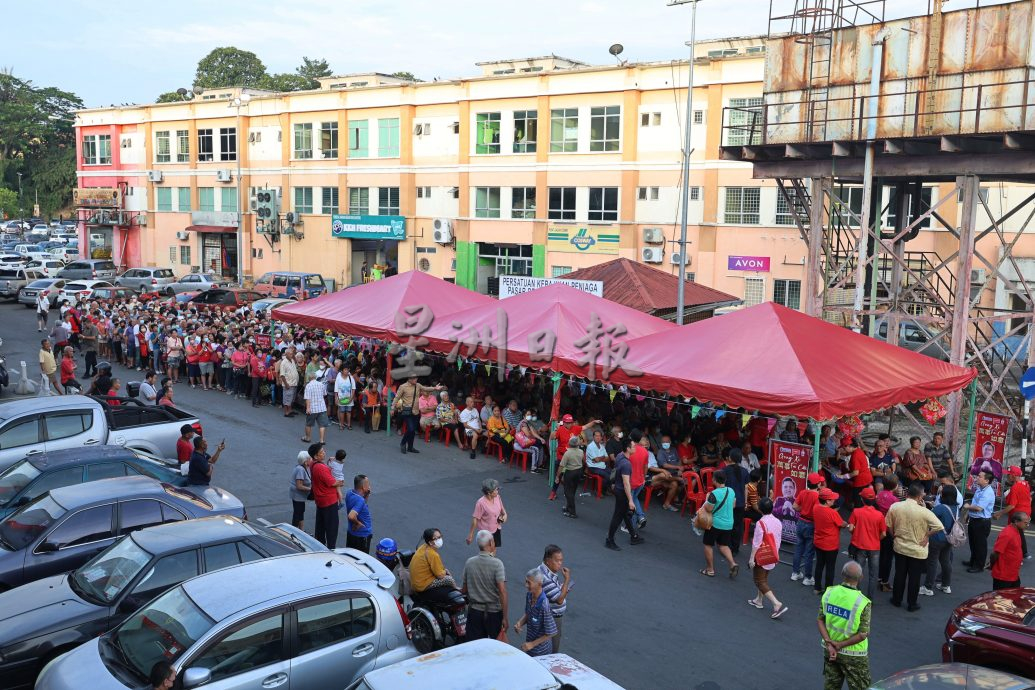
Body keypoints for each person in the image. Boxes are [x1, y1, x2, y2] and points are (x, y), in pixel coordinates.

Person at [886, 482, 944, 612]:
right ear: (919, 497)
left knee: (899, 574)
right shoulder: (924, 512)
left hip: (900, 546)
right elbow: (939, 526)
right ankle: (912, 604)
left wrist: (894, 535)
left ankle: (896, 599)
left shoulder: (895, 506)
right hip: (917, 550)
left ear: (907, 493)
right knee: (915, 577)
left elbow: (888, 524)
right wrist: (927, 536)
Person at [818, 561, 872, 690]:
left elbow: (820, 620)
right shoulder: (863, 602)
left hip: (829, 650)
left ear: (842, 574)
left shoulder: (829, 593)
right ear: (861, 578)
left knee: (831, 686)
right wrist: (840, 645)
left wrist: (830, 644)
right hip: (854, 654)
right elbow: (863, 634)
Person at [461, 529, 508, 642]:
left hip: (475, 611)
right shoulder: (497, 564)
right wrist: (505, 617)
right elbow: (502, 591)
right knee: (496, 647)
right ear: (491, 543)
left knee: (475, 646)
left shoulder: (469, 562)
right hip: (493, 613)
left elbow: (464, 590)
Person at [605, 436, 644, 551]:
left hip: (617, 488)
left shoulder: (619, 456)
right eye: (633, 446)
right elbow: (626, 484)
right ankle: (610, 540)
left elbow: (615, 470)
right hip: (622, 491)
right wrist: (631, 500)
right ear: (628, 449)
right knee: (618, 516)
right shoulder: (627, 464)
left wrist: (613, 484)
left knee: (624, 514)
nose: (635, 448)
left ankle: (633, 536)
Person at [847, 487, 885, 599]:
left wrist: (856, 533)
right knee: (873, 575)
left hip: (860, 546)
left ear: (862, 500)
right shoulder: (879, 515)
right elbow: (883, 533)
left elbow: (850, 528)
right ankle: (870, 599)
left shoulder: (856, 512)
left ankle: (857, 597)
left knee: (858, 572)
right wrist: (876, 539)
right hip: (874, 547)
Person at [392, 374, 444, 455]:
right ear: (409, 379)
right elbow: (397, 397)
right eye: (414, 378)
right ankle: (403, 443)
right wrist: (392, 408)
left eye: (416, 378)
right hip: (407, 411)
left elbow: (425, 388)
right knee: (411, 429)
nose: (416, 379)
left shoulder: (418, 385)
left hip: (415, 411)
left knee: (412, 431)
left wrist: (434, 388)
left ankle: (410, 447)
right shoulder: (403, 387)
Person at [701, 469, 739, 578]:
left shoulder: (714, 493)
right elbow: (733, 505)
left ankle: (710, 569)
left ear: (714, 480)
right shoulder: (731, 491)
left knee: (708, 544)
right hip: (728, 524)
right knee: (723, 545)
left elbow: (708, 509)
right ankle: (732, 563)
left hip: (715, 524)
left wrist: (707, 498)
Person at [922, 484, 958, 597]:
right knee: (946, 561)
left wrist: (924, 507)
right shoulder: (955, 508)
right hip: (949, 538)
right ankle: (946, 585)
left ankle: (928, 587)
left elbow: (928, 517)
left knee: (932, 562)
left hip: (937, 538)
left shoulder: (941, 508)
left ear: (944, 495)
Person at [514, 569, 557, 657]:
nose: (526, 585)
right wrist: (520, 623)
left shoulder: (544, 606)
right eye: (526, 581)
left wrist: (532, 644)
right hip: (529, 646)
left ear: (539, 584)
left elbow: (551, 632)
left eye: (529, 583)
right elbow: (528, 613)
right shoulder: (529, 595)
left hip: (541, 651)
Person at [538, 545, 573, 652]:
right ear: (548, 561)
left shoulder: (542, 570)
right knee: (552, 650)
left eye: (561, 560)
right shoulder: (545, 577)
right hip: (552, 617)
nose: (560, 563)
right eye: (557, 560)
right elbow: (559, 600)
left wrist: (561, 588)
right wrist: (567, 580)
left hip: (546, 615)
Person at [410, 527, 459, 604]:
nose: (439, 540)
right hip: (423, 585)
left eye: (439, 537)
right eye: (436, 539)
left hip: (416, 583)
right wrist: (445, 572)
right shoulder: (433, 554)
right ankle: (457, 590)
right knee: (449, 579)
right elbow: (440, 575)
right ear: (430, 542)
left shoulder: (423, 547)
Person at [792, 473, 823, 587]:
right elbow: (818, 512)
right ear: (818, 484)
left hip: (801, 522)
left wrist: (803, 509)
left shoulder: (803, 492)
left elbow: (794, 506)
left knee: (799, 548)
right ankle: (808, 577)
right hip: (811, 524)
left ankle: (795, 573)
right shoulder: (818, 496)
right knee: (809, 553)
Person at [962, 469, 996, 572]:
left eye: (980, 477)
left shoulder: (988, 492)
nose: (977, 478)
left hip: (982, 522)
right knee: (973, 542)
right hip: (975, 519)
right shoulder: (979, 488)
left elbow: (979, 508)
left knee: (980, 544)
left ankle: (979, 565)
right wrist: (968, 514)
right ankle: (973, 561)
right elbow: (974, 502)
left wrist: (967, 507)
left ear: (986, 480)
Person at [813, 488, 845, 595]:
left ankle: (817, 588)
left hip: (818, 542)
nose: (834, 501)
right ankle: (828, 590)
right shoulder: (833, 513)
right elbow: (842, 524)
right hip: (830, 545)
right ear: (827, 501)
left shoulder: (816, 507)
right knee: (830, 568)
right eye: (832, 499)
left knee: (819, 565)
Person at [995, 466, 1032, 559]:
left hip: (1017, 515)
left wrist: (999, 513)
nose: (1007, 476)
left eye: (1009, 474)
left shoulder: (1015, 488)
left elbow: (1012, 506)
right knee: (1019, 533)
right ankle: (1024, 553)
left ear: (1013, 476)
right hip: (1025, 513)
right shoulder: (1025, 483)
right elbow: (1029, 498)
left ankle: (1017, 556)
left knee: (1013, 534)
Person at [310, 443, 342, 549]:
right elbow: (333, 483)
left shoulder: (312, 464)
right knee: (331, 528)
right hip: (329, 501)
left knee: (320, 526)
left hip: (320, 500)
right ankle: (331, 548)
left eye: (323, 451)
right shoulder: (321, 468)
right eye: (321, 452)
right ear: (315, 456)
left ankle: (319, 545)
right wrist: (341, 482)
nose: (324, 453)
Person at [991, 512, 1030, 590]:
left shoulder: (1017, 531)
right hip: (1003, 577)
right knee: (1001, 599)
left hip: (1013, 574)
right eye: (1025, 523)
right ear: (1016, 521)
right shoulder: (1007, 534)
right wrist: (992, 565)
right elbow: (995, 553)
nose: (1027, 525)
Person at [466, 478, 506, 548]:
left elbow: (504, 512)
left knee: (494, 548)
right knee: (487, 551)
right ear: (489, 492)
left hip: (496, 529)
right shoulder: (480, 503)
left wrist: (504, 518)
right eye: (496, 490)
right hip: (486, 533)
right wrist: (470, 535)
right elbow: (475, 519)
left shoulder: (497, 497)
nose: (498, 491)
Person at [556, 436, 584, 518]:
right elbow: (583, 460)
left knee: (568, 492)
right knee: (573, 490)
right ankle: (568, 507)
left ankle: (572, 512)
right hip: (578, 471)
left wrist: (558, 476)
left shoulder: (567, 453)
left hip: (570, 472)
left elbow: (561, 466)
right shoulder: (581, 451)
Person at [345, 474, 373, 553]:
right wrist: (358, 523)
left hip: (351, 533)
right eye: (368, 484)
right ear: (363, 487)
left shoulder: (349, 493)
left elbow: (361, 505)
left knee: (350, 557)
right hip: (362, 537)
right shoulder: (360, 500)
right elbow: (351, 516)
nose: (369, 486)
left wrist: (366, 496)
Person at [302, 372, 330, 444]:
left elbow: (307, 398)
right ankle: (321, 440)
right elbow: (324, 394)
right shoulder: (321, 384)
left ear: (309, 378)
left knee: (309, 424)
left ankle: (308, 438)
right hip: (322, 408)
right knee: (322, 425)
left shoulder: (308, 386)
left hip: (312, 408)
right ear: (315, 377)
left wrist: (308, 408)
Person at [290, 451, 312, 530]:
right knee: (298, 514)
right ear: (306, 461)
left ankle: (301, 531)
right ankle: (294, 531)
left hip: (300, 496)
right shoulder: (301, 470)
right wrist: (311, 489)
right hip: (298, 496)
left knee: (300, 513)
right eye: (310, 458)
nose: (311, 460)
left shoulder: (303, 467)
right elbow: (299, 486)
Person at [279, 346, 300, 417]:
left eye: (292, 353)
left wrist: (293, 353)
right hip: (288, 384)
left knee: (291, 399)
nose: (292, 355)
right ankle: (286, 412)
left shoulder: (292, 360)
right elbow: (282, 375)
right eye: (290, 354)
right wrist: (286, 384)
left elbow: (296, 361)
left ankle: (290, 410)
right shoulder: (283, 363)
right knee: (287, 399)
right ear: (286, 354)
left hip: (294, 383)